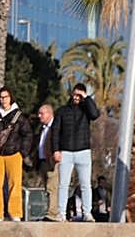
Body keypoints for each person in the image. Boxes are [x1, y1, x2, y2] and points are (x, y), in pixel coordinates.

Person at [0, 87, 33, 222]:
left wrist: (22, 152)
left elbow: (28, 134)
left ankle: (15, 212)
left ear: (11, 98)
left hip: (14, 154)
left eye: (6, 97)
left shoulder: (19, 116)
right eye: (1, 97)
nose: (3, 100)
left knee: (14, 184)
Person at [53, 82, 100, 223]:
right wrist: (56, 150)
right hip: (66, 152)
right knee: (63, 184)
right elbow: (55, 131)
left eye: (79, 94)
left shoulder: (86, 110)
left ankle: (87, 213)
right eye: (75, 94)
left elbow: (95, 114)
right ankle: (61, 213)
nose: (76, 97)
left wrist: (86, 97)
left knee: (86, 184)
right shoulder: (62, 111)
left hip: (83, 151)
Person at [33, 104, 60, 221]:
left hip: (52, 161)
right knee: (47, 188)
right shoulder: (42, 128)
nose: (39, 116)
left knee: (52, 187)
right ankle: (50, 210)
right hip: (43, 161)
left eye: (42, 113)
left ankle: (52, 213)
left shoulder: (56, 127)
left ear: (49, 114)